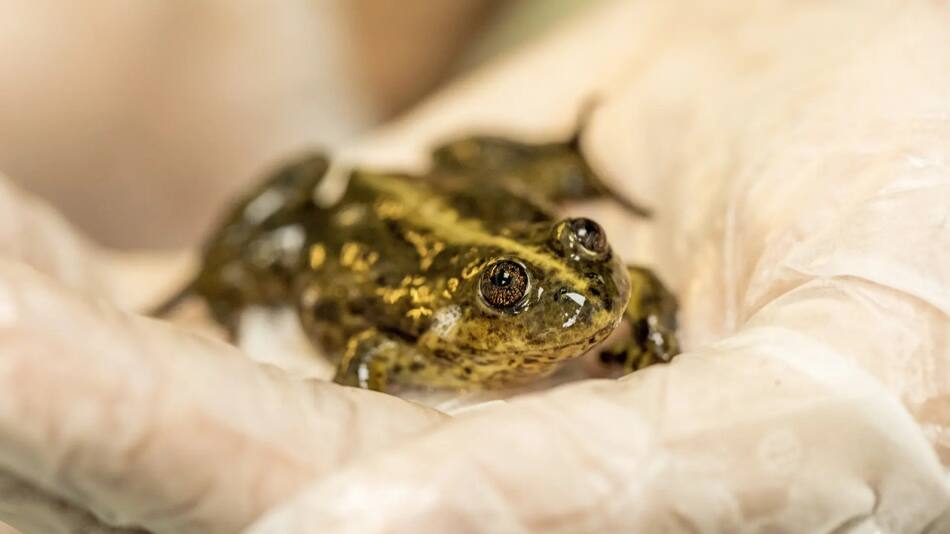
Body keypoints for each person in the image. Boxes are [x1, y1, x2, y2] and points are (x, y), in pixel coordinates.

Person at [0, 1, 948, 532]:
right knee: (273, 247)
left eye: (591, 255)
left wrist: (649, 349)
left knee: (510, 199)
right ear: (480, 303)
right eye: (514, 293)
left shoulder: (594, 289)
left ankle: (563, 176)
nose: (591, 295)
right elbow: (370, 357)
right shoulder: (434, 331)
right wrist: (369, 398)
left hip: (440, 176)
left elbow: (642, 291)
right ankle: (214, 271)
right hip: (351, 206)